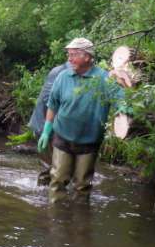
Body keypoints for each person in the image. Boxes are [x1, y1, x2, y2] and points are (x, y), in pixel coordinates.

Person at [37, 37, 124, 203]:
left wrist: (124, 106)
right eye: (68, 55)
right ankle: (56, 220)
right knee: (58, 180)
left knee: (82, 186)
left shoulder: (103, 79)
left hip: (89, 141)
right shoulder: (63, 77)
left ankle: (79, 223)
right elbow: (52, 104)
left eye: (73, 55)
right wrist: (47, 130)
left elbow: (120, 98)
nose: (69, 59)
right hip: (62, 137)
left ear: (87, 57)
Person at [28, 61, 71, 186]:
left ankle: (48, 193)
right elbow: (49, 101)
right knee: (52, 167)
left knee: (58, 166)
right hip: (45, 126)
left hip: (54, 127)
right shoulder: (61, 72)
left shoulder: (68, 72)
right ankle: (41, 197)